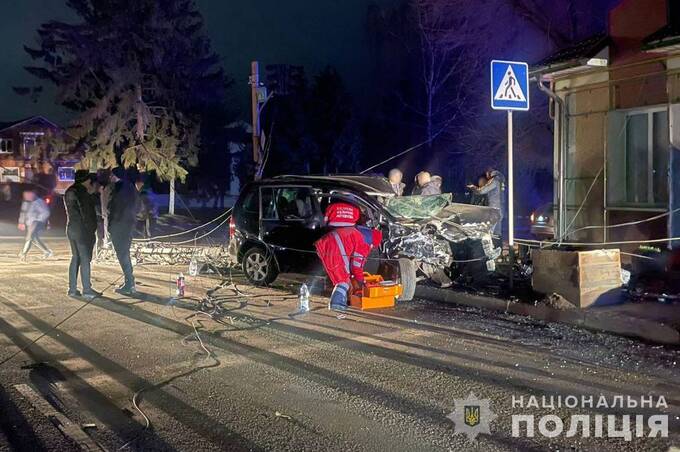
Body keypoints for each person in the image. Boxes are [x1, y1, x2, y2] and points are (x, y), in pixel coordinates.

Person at [314, 203, 382, 311]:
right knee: (342, 279)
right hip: (334, 247)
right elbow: (356, 266)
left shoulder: (357, 233)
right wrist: (361, 282)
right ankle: (336, 304)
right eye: (373, 246)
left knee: (343, 276)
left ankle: (341, 300)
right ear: (373, 242)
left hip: (327, 242)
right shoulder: (364, 243)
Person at [64, 171, 100, 299]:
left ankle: (72, 289)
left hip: (71, 228)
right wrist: (92, 230)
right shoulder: (82, 192)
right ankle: (87, 289)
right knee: (85, 259)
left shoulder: (69, 190)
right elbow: (87, 214)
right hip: (82, 230)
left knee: (75, 257)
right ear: (86, 180)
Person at [108, 167, 139, 295]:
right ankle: (129, 281)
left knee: (122, 254)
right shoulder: (130, 187)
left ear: (116, 175)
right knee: (124, 253)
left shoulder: (120, 188)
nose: (109, 177)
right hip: (128, 225)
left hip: (120, 226)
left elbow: (116, 208)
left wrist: (113, 225)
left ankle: (129, 283)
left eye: (111, 175)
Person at [468, 167, 506, 236]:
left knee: (489, 232)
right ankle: (498, 245)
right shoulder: (501, 181)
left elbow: (482, 190)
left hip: (493, 209)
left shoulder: (494, 180)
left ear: (489, 173)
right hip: (500, 208)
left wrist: (473, 187)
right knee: (497, 232)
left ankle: (490, 246)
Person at [17, 189, 52, 260]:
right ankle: (47, 251)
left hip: (37, 222)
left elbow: (46, 212)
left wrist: (38, 220)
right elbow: (23, 213)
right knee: (34, 238)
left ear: (33, 194)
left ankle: (23, 253)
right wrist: (21, 222)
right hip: (29, 223)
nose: (26, 196)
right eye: (25, 194)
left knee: (30, 237)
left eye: (28, 194)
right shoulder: (26, 203)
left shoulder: (39, 202)